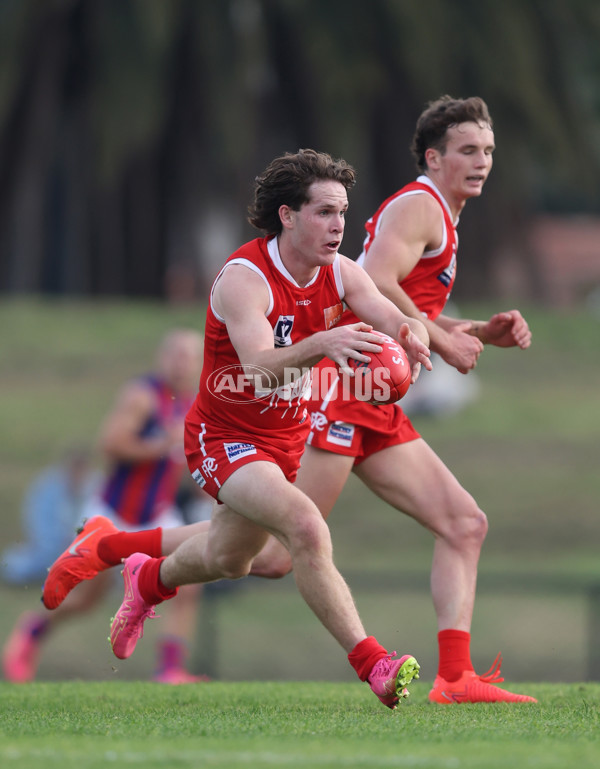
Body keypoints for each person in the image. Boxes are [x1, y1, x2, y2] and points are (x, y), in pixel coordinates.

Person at [42, 148, 432, 709]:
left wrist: (410, 330)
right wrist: (324, 342)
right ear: (288, 216)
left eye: (343, 211)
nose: (338, 225)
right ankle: (374, 662)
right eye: (324, 211)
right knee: (305, 526)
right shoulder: (244, 278)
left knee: (232, 560)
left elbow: (381, 308)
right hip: (224, 437)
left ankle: (136, 570)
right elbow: (258, 368)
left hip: (285, 440)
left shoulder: (341, 271)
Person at [249, 95, 537, 704]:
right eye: (466, 150)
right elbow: (372, 282)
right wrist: (439, 339)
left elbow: (412, 305)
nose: (481, 161)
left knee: (463, 523)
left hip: (374, 396)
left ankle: (455, 678)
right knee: (277, 553)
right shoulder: (421, 206)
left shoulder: (441, 216)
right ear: (433, 157)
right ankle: (119, 548)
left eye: (487, 150)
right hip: (350, 391)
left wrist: (478, 332)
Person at [3, 329, 210, 685]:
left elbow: (185, 461)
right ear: (162, 357)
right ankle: (33, 630)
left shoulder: (192, 403)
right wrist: (163, 443)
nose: (181, 362)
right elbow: (111, 443)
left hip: (158, 514)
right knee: (87, 600)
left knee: (190, 584)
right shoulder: (143, 396)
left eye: (189, 355)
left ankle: (169, 668)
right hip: (114, 514)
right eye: (175, 353)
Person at [0, 447, 99, 586]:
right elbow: (39, 524)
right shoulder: (49, 488)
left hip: (86, 549)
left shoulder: (96, 486)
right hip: (53, 548)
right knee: (27, 567)